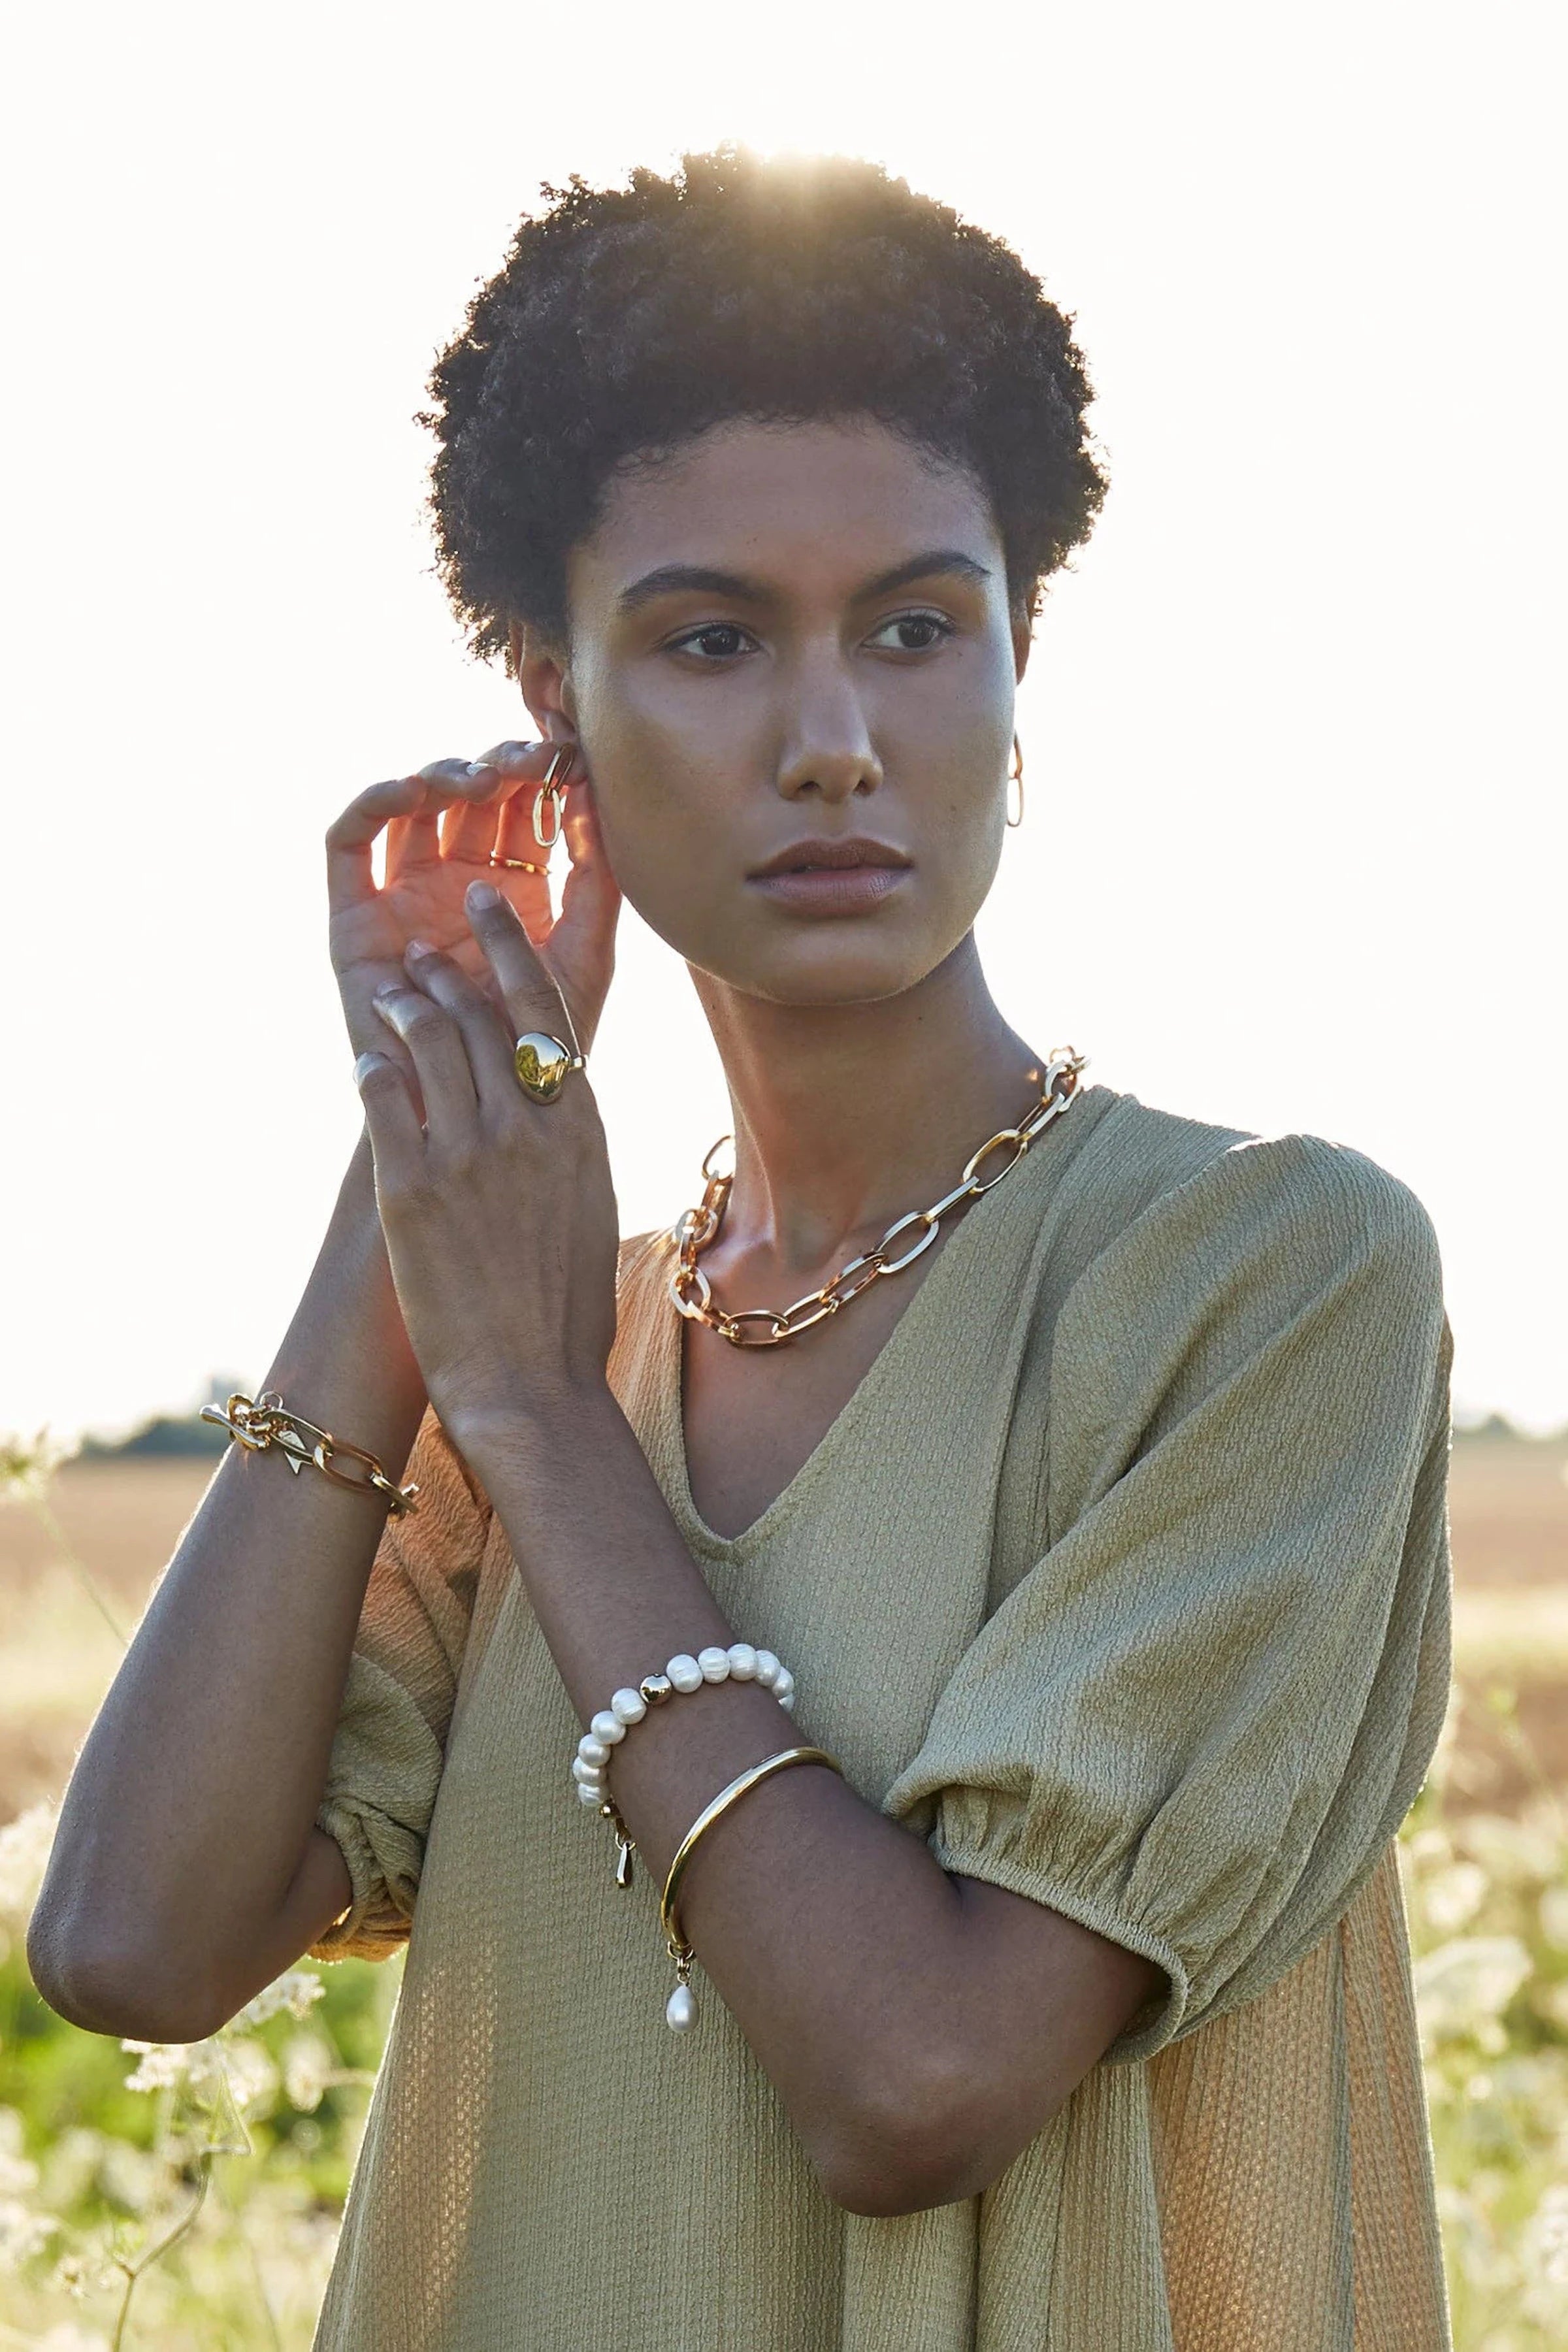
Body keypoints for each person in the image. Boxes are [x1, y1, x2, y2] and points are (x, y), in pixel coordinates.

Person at [29, 149, 1455, 2349]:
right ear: (556, 712)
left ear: (1014, 663)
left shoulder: (1266, 1277)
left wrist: (526, 1418)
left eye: (916, 626)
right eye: (710, 640)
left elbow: (922, 2079)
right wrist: (414, 1184)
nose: (833, 743)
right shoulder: (546, 1335)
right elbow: (134, 1943)